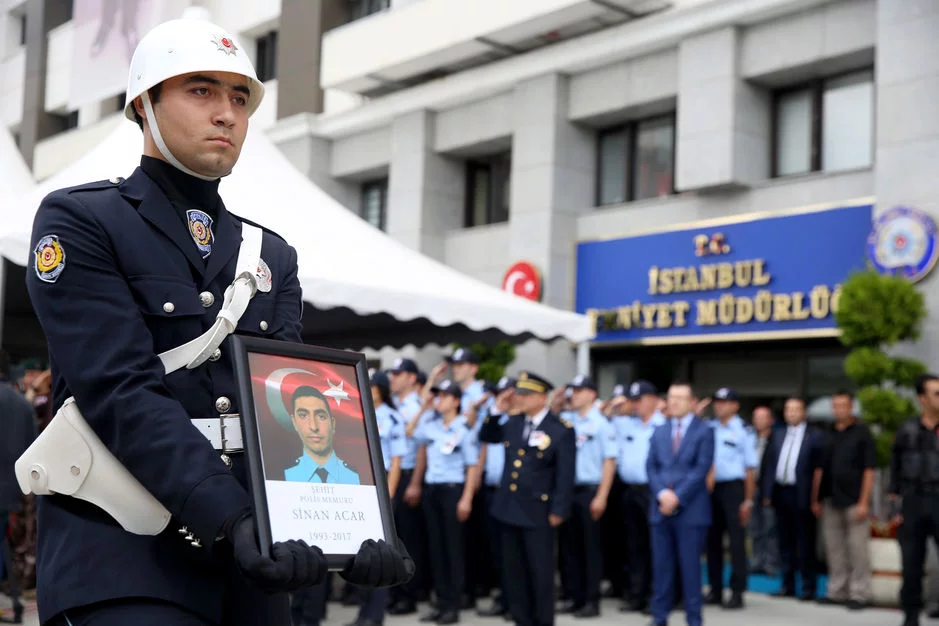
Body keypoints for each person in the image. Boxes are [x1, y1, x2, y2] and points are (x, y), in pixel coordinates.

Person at [24, 17, 411, 626]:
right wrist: (231, 519)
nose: (227, 114)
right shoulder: (82, 221)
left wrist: (354, 524)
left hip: (249, 562)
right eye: (201, 90)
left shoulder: (270, 254)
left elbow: (285, 403)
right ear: (143, 106)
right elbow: (120, 391)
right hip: (124, 553)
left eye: (239, 98)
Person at [477, 371, 576, 626]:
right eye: (517, 393)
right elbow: (487, 435)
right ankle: (521, 620)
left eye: (525, 394)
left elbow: (565, 475)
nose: (518, 398)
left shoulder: (560, 430)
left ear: (542, 397)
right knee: (513, 574)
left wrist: (559, 510)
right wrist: (497, 408)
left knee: (540, 574)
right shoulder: (514, 422)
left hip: (538, 511)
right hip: (508, 509)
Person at [646, 382, 715, 626]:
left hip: (691, 511)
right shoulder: (659, 430)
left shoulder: (704, 431)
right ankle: (659, 617)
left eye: (680, 398)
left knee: (690, 569)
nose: (673, 402)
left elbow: (701, 469)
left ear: (692, 402)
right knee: (661, 568)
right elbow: (651, 467)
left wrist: (677, 497)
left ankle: (694, 619)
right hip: (660, 509)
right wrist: (662, 493)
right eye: (671, 397)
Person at [413, 379, 480, 624]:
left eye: (443, 396)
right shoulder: (432, 425)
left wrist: (467, 498)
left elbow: (472, 466)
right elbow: (411, 432)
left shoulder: (464, 428)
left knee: (453, 549)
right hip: (433, 490)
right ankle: (440, 602)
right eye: (437, 396)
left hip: (454, 490)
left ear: (456, 401)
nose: (439, 400)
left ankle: (453, 604)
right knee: (436, 549)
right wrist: (425, 407)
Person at [347, 371, 409, 626]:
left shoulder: (393, 419)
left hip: (381, 483)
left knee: (381, 551)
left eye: (373, 386)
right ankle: (363, 611)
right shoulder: (356, 412)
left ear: (382, 390)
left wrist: (389, 495)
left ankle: (375, 614)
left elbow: (396, 462)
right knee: (361, 551)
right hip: (358, 480)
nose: (369, 390)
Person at [558, 375, 616, 618]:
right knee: (569, 548)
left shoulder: (602, 424)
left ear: (592, 394)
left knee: (591, 548)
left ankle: (591, 601)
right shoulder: (568, 421)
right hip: (568, 490)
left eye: (580, 390)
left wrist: (601, 496)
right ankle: (574, 596)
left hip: (590, 490)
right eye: (573, 390)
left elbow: (609, 461)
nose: (575, 395)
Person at [814, 389, 875, 610]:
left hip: (854, 500)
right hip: (830, 498)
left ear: (851, 407)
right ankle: (837, 591)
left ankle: (860, 593)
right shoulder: (827, 434)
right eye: (836, 405)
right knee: (834, 548)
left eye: (843, 405)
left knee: (857, 549)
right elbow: (820, 469)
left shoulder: (862, 433)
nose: (839, 409)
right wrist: (816, 498)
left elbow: (869, 470)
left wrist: (864, 502)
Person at [761, 396, 825, 601]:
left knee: (805, 542)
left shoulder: (814, 436)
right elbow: (769, 465)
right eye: (788, 410)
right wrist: (767, 493)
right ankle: (786, 585)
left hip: (802, 494)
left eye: (796, 410)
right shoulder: (778, 434)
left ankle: (808, 587)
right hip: (781, 492)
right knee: (784, 541)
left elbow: (818, 470)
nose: (791, 413)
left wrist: (816, 498)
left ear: (803, 412)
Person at [889, 373, 939, 626]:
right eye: (936, 393)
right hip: (913, 501)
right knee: (911, 565)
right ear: (922, 398)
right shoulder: (907, 429)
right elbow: (895, 468)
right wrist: (894, 505)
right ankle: (910, 618)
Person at [614, 380, 665, 614]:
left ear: (653, 399)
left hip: (653, 492)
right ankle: (636, 595)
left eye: (640, 400)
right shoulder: (627, 425)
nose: (636, 405)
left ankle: (657, 596)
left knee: (655, 546)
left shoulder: (663, 425)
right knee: (634, 546)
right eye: (633, 400)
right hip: (630, 491)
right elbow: (604, 415)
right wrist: (617, 405)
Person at [704, 387, 757, 610]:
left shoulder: (744, 430)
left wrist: (748, 500)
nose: (719, 406)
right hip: (710, 489)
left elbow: (750, 469)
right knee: (712, 541)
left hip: (734, 489)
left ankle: (737, 592)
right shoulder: (708, 427)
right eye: (717, 402)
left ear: (735, 405)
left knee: (736, 542)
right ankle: (715, 589)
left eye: (725, 402)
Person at [284, 386, 361, 485]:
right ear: (294, 422)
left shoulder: (355, 475)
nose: (313, 426)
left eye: (321, 417)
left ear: (333, 424)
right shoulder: (285, 474)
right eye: (303, 415)